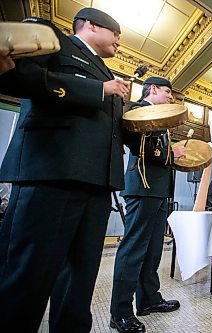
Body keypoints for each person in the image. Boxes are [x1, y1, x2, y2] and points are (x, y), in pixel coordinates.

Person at [0, 8, 130, 332]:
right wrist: (99, 90)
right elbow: (22, 76)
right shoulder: (54, 41)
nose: (118, 41)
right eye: (115, 33)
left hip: (97, 185)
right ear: (91, 25)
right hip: (53, 177)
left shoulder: (106, 72)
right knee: (28, 279)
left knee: (79, 283)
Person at [110, 77, 186, 333]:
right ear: (152, 89)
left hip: (158, 190)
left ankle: (149, 300)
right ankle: (120, 312)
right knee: (133, 250)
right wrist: (171, 154)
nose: (170, 97)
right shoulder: (136, 112)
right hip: (142, 188)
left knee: (153, 250)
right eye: (167, 92)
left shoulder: (159, 117)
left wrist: (171, 154)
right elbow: (142, 148)